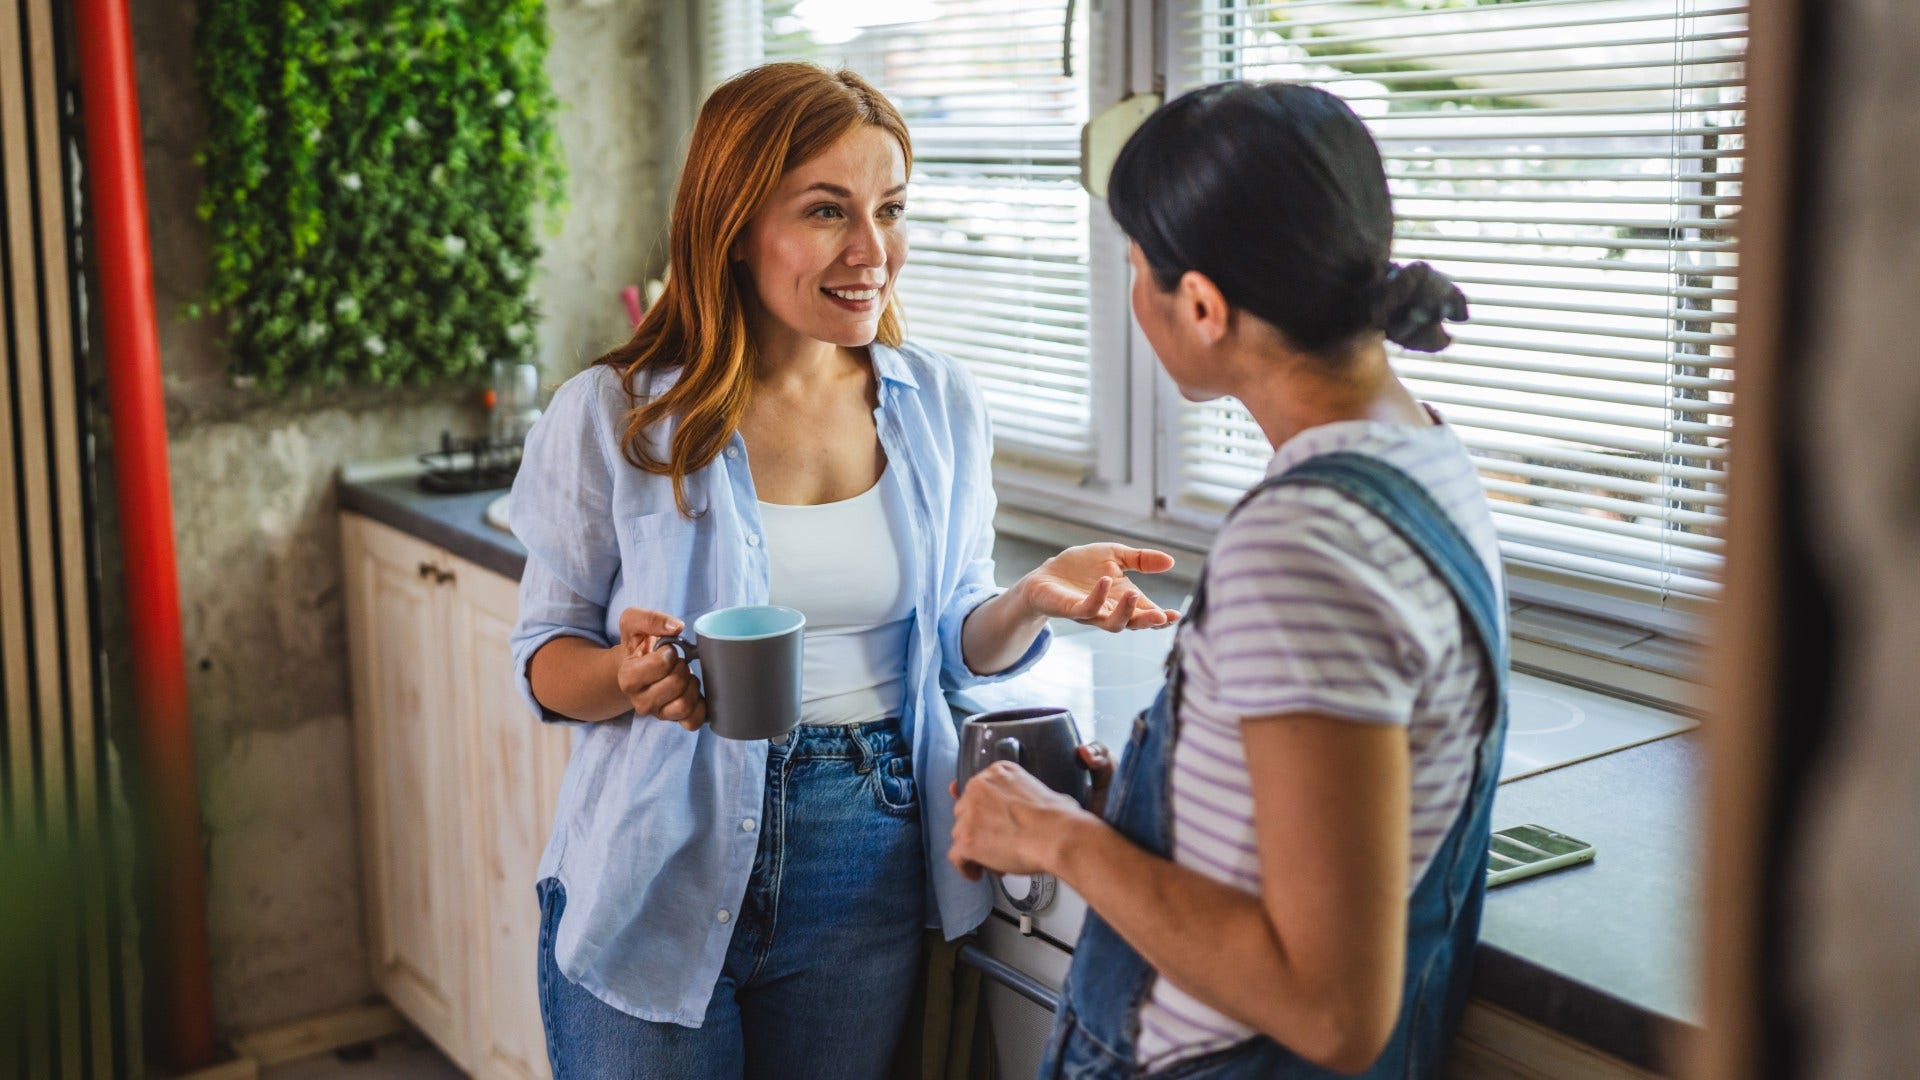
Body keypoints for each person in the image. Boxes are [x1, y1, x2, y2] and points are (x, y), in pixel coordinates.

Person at [507, 62, 1178, 1080]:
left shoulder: (937, 404)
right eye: (828, 212)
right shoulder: (616, 415)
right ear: (733, 224)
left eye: (891, 210)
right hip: (657, 857)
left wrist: (1033, 597)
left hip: (867, 852)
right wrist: (623, 677)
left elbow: (953, 641)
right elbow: (544, 656)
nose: (873, 251)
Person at [948, 81, 1506, 1079]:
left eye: (1135, 269)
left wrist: (1063, 837)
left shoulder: (1302, 546)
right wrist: (1180, 807)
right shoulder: (1421, 455)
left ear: (1202, 306)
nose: (1132, 297)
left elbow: (1330, 1009)